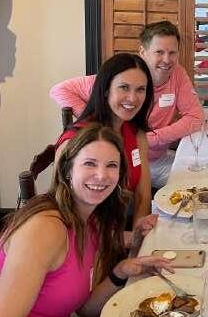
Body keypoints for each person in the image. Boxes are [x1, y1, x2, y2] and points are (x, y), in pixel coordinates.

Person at [0, 124, 173, 317]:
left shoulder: (92, 221)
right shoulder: (45, 228)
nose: (101, 175)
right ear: (68, 170)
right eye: (90, 163)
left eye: (111, 165)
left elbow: (86, 312)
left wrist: (120, 271)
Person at [50, 21, 205, 188]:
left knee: (203, 177)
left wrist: (151, 139)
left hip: (155, 157)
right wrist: (95, 122)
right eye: (159, 52)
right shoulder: (123, 74)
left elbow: (196, 117)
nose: (167, 60)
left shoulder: (177, 74)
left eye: (172, 52)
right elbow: (59, 90)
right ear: (143, 52)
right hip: (121, 159)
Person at [56, 53, 154, 229]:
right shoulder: (75, 142)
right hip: (85, 236)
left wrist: (138, 237)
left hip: (121, 228)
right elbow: (66, 213)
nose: (133, 98)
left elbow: (143, 196)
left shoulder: (136, 133)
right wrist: (119, 240)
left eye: (140, 89)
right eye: (124, 87)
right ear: (106, 89)